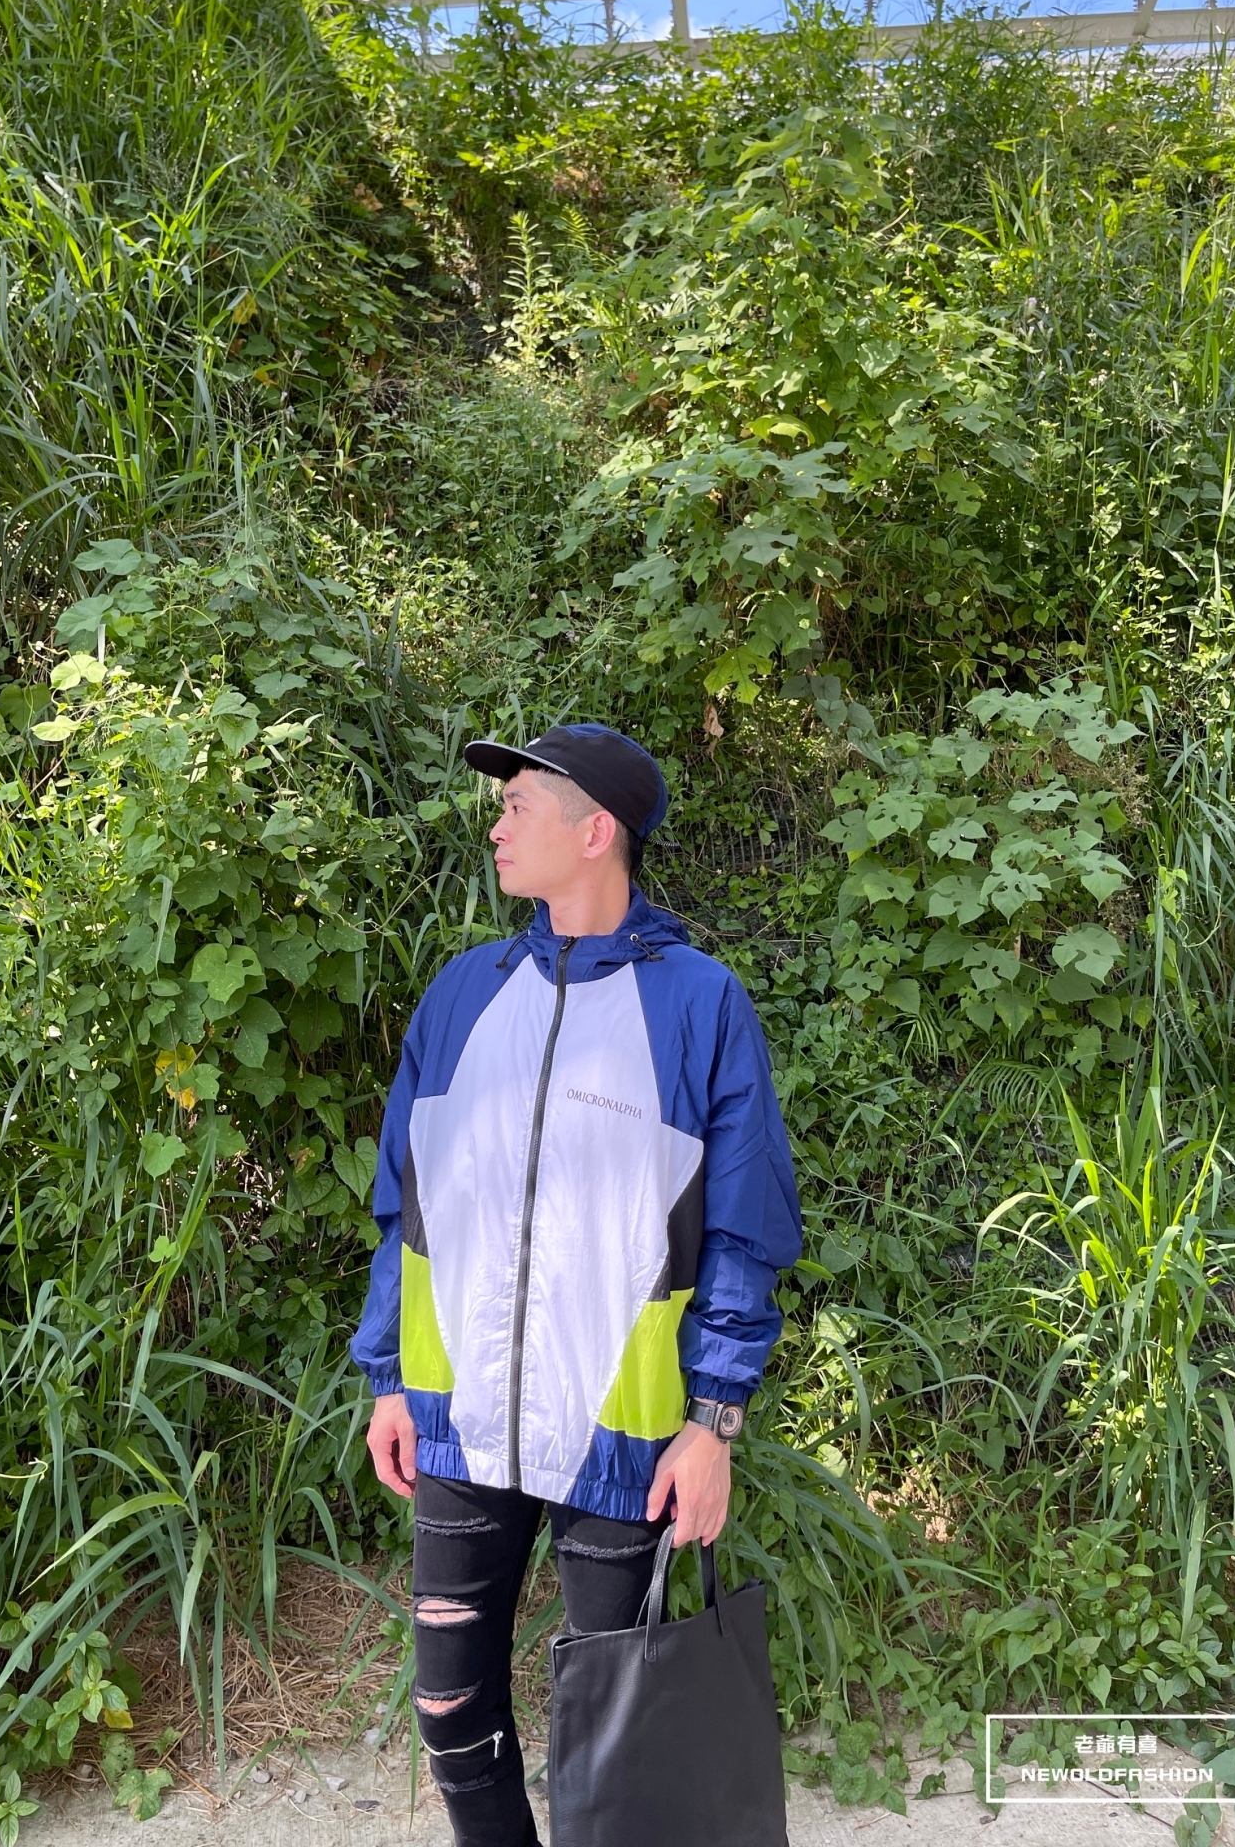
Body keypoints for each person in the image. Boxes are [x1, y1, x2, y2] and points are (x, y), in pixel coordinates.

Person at [351, 721, 802, 1847]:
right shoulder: (463, 995)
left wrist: (714, 1420)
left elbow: (744, 1229)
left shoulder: (699, 1005)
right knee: (449, 1710)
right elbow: (408, 1207)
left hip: (622, 1436)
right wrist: (390, 1376)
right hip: (457, 1420)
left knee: (617, 1736)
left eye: (518, 804)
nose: (496, 824)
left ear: (596, 831)